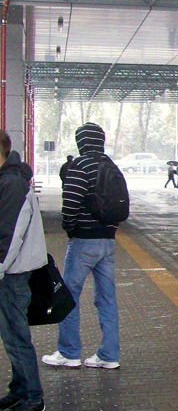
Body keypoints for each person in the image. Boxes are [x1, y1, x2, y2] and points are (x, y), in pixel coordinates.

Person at [42, 122, 120, 370]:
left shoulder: (79, 166)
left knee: (68, 296)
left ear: (81, 142)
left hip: (83, 242)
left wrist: (70, 229)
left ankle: (69, 352)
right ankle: (109, 356)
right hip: (108, 242)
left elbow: (70, 206)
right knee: (107, 299)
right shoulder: (111, 166)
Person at [0, 129, 48, 411]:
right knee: (11, 334)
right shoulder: (9, 180)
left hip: (12, 274)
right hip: (11, 272)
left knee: (17, 337)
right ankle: (19, 390)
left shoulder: (11, 183)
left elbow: (10, 234)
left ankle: (32, 397)